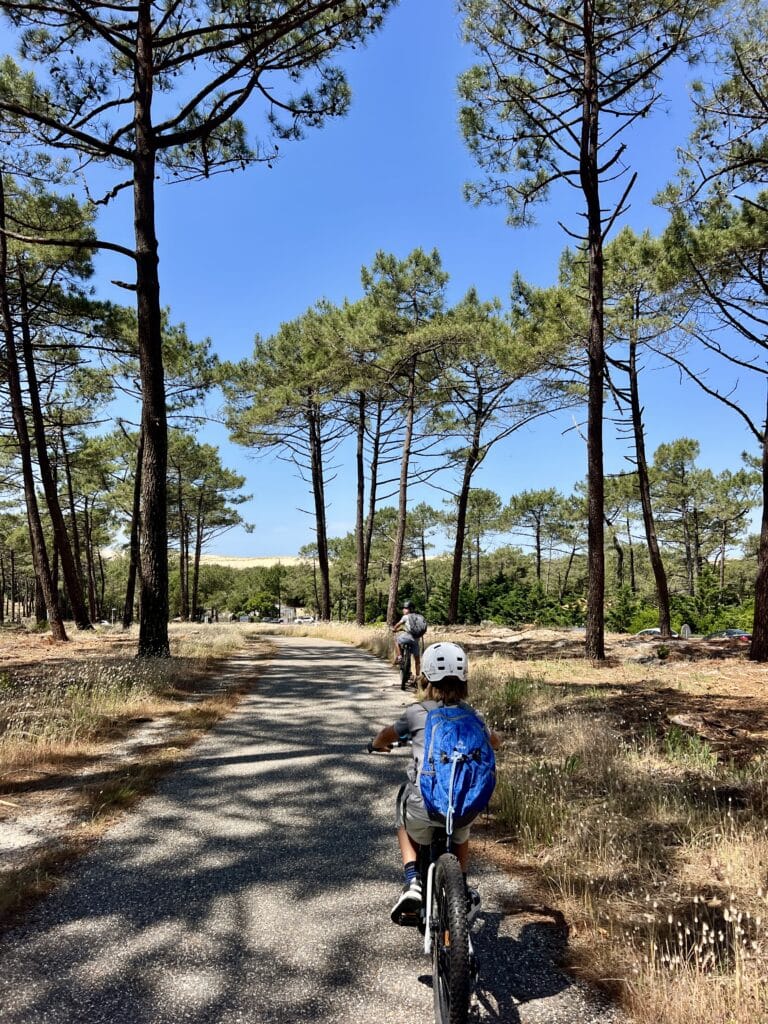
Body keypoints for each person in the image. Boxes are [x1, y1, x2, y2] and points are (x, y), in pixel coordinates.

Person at [370, 641, 501, 923]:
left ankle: (413, 881)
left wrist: (376, 744)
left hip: (423, 809)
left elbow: (386, 735)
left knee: (402, 808)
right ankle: (461, 885)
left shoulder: (417, 712)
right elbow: (495, 743)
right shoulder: (473, 716)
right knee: (461, 833)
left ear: (425, 677)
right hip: (464, 809)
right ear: (464, 678)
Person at [391, 599, 423, 682]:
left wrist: (394, 629)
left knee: (396, 640)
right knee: (417, 660)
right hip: (416, 640)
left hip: (408, 637)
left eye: (406, 608)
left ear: (410, 610)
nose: (403, 610)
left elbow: (397, 625)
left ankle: (400, 657)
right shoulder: (418, 617)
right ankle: (418, 678)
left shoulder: (405, 617)